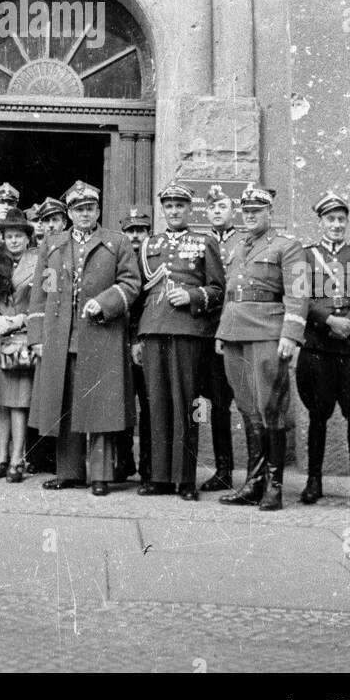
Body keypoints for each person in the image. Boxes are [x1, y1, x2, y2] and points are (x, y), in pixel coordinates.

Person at [27, 180, 139, 497]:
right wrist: (37, 336)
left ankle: (101, 475)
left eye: (89, 208)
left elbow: (131, 284)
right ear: (70, 213)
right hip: (60, 338)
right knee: (63, 405)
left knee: (100, 405)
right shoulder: (53, 245)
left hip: (102, 335)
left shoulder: (116, 243)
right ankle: (70, 472)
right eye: (78, 209)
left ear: (98, 210)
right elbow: (41, 294)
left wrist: (104, 303)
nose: (84, 214)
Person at [216, 183, 308, 512]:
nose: (251, 215)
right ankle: (254, 482)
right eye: (247, 210)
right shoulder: (237, 245)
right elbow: (230, 291)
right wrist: (222, 332)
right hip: (235, 333)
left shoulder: (288, 246)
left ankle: (274, 485)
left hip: (269, 331)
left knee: (271, 408)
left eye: (257, 210)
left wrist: (291, 334)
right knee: (246, 408)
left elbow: (298, 293)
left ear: (270, 212)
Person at [136, 184, 225, 500]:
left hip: (188, 329)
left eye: (179, 205)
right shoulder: (149, 243)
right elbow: (138, 292)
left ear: (189, 209)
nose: (174, 211)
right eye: (169, 206)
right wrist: (136, 335)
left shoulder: (204, 242)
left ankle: (185, 479)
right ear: (163, 209)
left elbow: (217, 290)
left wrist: (191, 296)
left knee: (185, 403)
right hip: (152, 328)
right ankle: (159, 478)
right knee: (156, 403)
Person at [297, 190, 350, 506]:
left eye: (341, 219)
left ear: (347, 222)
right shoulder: (305, 256)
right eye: (330, 219)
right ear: (321, 222)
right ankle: (313, 480)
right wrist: (329, 319)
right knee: (317, 415)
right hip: (319, 346)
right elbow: (299, 296)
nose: (336, 225)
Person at [0, 208, 38, 483]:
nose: (14, 241)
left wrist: (23, 318)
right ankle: (1, 458)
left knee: (18, 404)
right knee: (0, 403)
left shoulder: (38, 262)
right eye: (9, 236)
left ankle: (17, 460)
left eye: (19, 236)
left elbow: (42, 300)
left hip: (22, 339)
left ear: (27, 239)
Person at [199, 184, 238, 492]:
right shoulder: (201, 242)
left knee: (240, 403)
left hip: (238, 331)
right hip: (208, 331)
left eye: (222, 206)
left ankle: (246, 470)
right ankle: (222, 469)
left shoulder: (243, 240)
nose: (216, 211)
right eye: (212, 208)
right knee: (216, 402)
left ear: (232, 210)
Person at [25, 197, 67, 476]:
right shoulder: (47, 250)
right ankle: (38, 456)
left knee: (61, 397)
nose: (51, 225)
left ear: (65, 221)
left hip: (69, 332)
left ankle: (58, 457)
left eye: (56, 219)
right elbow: (42, 296)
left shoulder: (71, 245)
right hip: (50, 332)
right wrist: (36, 336)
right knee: (42, 398)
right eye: (47, 220)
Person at [116, 206, 152, 484]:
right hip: (120, 341)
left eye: (140, 230)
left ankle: (149, 465)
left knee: (149, 405)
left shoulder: (155, 259)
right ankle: (124, 460)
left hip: (147, 341)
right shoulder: (117, 260)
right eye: (130, 231)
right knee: (122, 403)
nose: (135, 236)